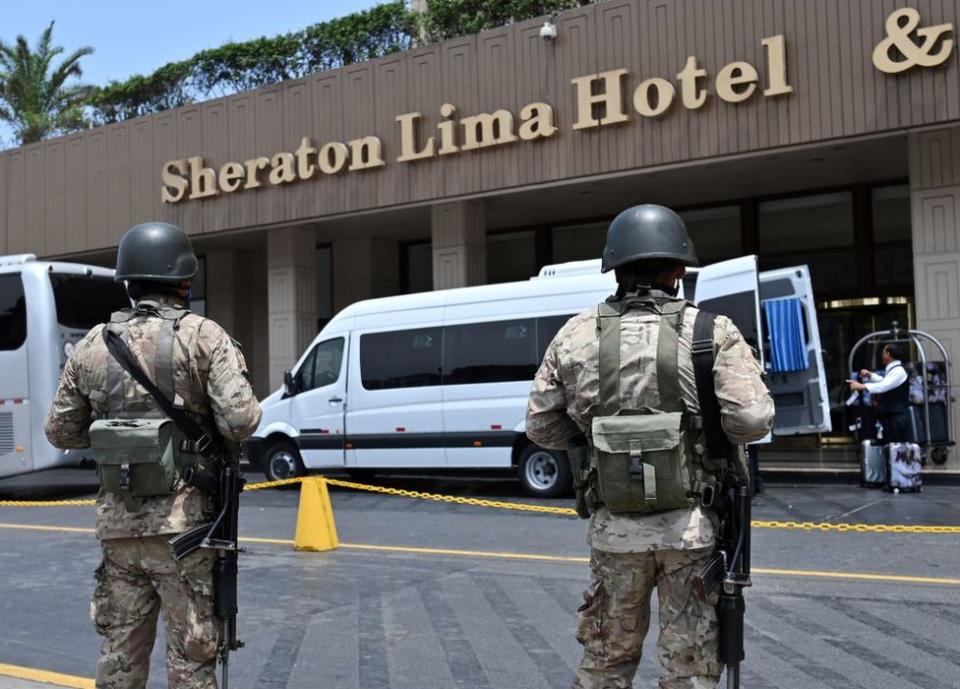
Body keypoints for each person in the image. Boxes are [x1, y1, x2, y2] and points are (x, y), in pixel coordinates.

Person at [526, 204, 774, 689]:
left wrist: (596, 441)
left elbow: (539, 424)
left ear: (615, 268)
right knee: (689, 668)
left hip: (614, 531)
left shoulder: (576, 335)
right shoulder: (710, 332)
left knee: (605, 660)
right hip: (691, 532)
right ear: (679, 270)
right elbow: (751, 419)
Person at [44, 222, 261, 689]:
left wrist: (120, 432)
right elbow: (241, 421)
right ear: (184, 281)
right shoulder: (203, 336)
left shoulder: (93, 344)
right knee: (191, 659)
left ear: (127, 282)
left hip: (119, 531)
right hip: (186, 532)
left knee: (120, 657)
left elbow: (59, 429)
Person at [848, 343, 911, 443]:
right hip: (892, 416)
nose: (881, 355)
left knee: (896, 448)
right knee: (891, 446)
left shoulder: (898, 371)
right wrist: (871, 376)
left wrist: (862, 386)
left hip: (896, 418)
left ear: (888, 354)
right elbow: (886, 382)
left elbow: (884, 386)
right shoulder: (894, 370)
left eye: (883, 352)